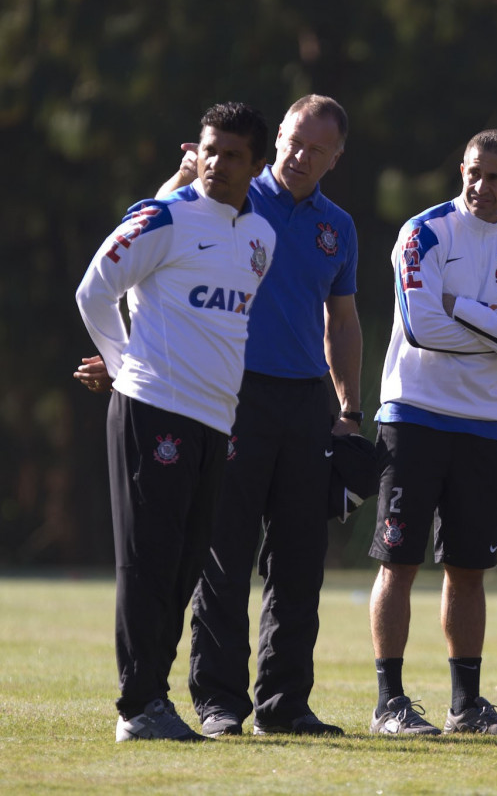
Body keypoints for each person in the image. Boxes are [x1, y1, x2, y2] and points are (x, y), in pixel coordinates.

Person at [152, 95, 362, 737]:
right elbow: (159, 223)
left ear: (335, 157)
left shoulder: (339, 227)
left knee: (300, 557)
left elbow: (343, 320)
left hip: (305, 402)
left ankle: (285, 703)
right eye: (293, 141)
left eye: (315, 149)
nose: (299, 157)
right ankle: (219, 702)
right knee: (225, 551)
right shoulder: (236, 194)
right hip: (231, 391)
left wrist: (349, 409)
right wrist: (184, 177)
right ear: (278, 139)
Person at [74, 102, 275, 742]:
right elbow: (94, 289)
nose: (217, 163)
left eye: (233, 154)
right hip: (151, 407)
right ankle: (137, 708)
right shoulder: (163, 215)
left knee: (187, 564)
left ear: (258, 165)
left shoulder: (260, 239)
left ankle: (155, 700)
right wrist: (122, 361)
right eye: (210, 149)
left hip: (215, 421)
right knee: (149, 561)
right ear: (197, 149)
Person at [368, 129, 497, 736]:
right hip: (413, 414)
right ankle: (389, 703)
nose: (481, 185)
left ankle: (465, 706)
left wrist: (466, 308)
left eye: (495, 176)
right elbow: (421, 326)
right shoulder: (423, 233)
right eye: (473, 172)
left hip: (482, 426)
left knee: (469, 569)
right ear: (461, 169)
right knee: (399, 561)